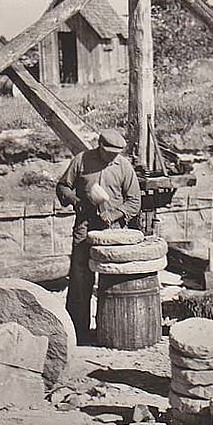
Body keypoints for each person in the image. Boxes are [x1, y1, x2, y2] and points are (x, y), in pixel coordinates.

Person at [56, 129, 141, 345]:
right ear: (100, 146)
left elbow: (134, 202)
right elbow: (63, 186)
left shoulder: (124, 167)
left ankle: (110, 332)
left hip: (114, 229)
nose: (113, 156)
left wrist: (113, 214)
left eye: (116, 152)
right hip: (85, 226)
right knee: (80, 279)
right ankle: (77, 332)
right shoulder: (81, 161)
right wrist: (76, 201)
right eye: (109, 152)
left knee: (113, 280)